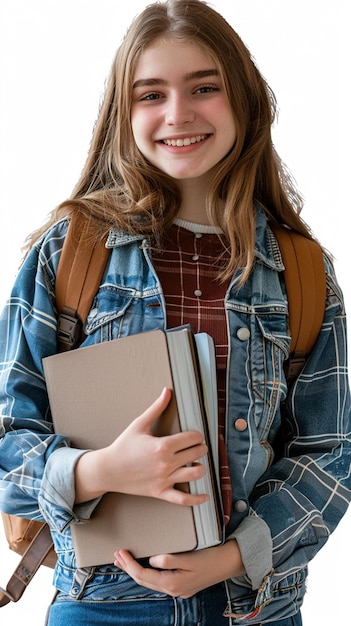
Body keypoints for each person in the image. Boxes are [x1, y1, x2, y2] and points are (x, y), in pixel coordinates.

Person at [0, 1, 350, 624]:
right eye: (150, 93)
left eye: (204, 88)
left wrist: (230, 559)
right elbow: (7, 432)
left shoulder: (302, 271)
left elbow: (330, 453)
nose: (178, 114)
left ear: (243, 99)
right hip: (102, 606)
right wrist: (99, 470)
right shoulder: (72, 251)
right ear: (122, 112)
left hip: (253, 609)